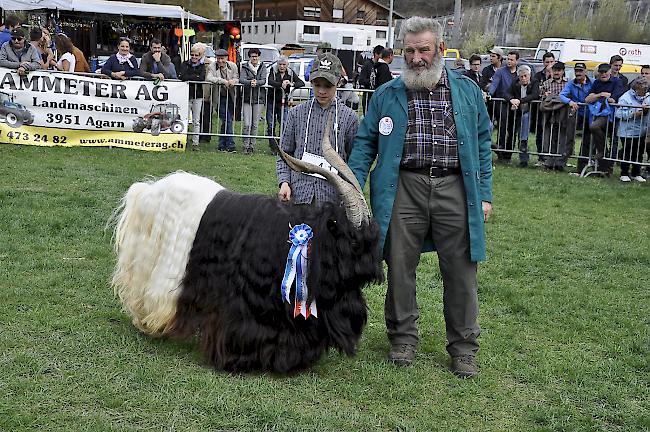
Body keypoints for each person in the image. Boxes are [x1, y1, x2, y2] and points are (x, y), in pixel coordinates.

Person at [348, 16, 493, 378]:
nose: (416, 58)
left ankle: (463, 348)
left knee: (461, 271)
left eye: (424, 50)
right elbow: (365, 143)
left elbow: (482, 143)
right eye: (409, 51)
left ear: (440, 50)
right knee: (399, 266)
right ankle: (402, 339)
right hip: (403, 188)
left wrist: (485, 194)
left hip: (454, 188)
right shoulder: (387, 94)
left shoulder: (467, 91)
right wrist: (349, 185)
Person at [276, 52, 359, 204]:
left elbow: (354, 162)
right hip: (299, 194)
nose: (321, 91)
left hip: (332, 198)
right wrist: (284, 182)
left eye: (328, 86)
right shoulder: (296, 114)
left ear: (338, 82)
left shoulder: (349, 118)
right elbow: (284, 154)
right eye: (317, 84)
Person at [586, 63, 625, 174]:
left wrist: (601, 97)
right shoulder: (597, 82)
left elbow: (613, 99)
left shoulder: (617, 82)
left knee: (613, 141)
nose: (603, 74)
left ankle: (609, 166)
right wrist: (600, 95)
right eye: (601, 72)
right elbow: (587, 99)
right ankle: (603, 163)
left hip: (612, 114)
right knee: (595, 129)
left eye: (605, 72)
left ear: (610, 72)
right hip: (600, 114)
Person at [560, 62, 594, 176]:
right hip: (576, 113)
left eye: (580, 71)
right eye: (576, 71)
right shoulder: (571, 83)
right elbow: (562, 95)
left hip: (590, 114)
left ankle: (582, 167)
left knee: (587, 140)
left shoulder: (593, 82)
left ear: (585, 72)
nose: (578, 73)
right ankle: (562, 161)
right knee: (568, 136)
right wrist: (570, 102)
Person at [614, 77, 649, 183]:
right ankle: (624, 173)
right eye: (642, 91)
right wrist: (634, 113)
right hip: (627, 131)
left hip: (642, 130)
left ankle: (636, 173)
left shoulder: (647, 97)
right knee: (627, 152)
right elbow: (618, 114)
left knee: (638, 152)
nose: (644, 94)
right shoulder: (625, 98)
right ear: (636, 89)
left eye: (645, 91)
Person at [266, 56, 305, 153]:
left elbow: (301, 83)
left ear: (287, 65)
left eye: (284, 64)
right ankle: (273, 147)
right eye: (280, 64)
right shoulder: (273, 70)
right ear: (277, 64)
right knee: (271, 124)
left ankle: (282, 146)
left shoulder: (291, 72)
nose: (282, 66)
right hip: (272, 100)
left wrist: (292, 84)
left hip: (284, 102)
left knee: (284, 124)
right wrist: (281, 84)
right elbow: (270, 81)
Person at [539, 61, 573, 170]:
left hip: (563, 115)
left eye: (558, 70)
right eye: (555, 70)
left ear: (563, 71)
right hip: (549, 114)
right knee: (548, 137)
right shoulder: (546, 83)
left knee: (562, 137)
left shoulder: (568, 83)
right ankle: (548, 161)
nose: (556, 73)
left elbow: (569, 96)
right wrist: (545, 95)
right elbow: (541, 96)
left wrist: (555, 99)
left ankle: (560, 162)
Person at [507, 65, 540, 167]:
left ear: (529, 75)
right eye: (521, 76)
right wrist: (511, 100)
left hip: (531, 112)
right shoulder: (515, 82)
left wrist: (519, 101)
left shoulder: (535, 82)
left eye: (525, 76)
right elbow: (507, 93)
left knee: (524, 134)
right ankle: (506, 156)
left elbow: (535, 95)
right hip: (516, 112)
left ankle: (524, 159)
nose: (523, 78)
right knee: (511, 133)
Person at [206, 48, 238, 152]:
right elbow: (209, 78)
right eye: (218, 58)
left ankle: (221, 144)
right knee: (227, 119)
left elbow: (237, 77)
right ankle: (230, 145)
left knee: (226, 121)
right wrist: (223, 81)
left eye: (222, 58)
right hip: (218, 97)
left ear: (226, 58)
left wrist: (233, 81)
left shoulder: (233, 66)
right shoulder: (212, 66)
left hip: (231, 96)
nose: (220, 61)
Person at [490, 51, 520, 162]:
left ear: (517, 61)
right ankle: (501, 153)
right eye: (508, 59)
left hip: (516, 105)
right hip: (502, 104)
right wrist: (489, 94)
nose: (509, 61)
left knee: (513, 130)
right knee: (502, 129)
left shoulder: (520, 73)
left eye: (512, 59)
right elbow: (494, 85)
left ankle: (509, 155)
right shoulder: (500, 72)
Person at [239, 48, 267, 155]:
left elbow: (264, 79)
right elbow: (242, 79)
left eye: (256, 56)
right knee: (247, 123)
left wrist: (257, 83)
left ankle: (252, 145)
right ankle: (245, 144)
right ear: (249, 57)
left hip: (259, 99)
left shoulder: (263, 66)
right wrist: (250, 82)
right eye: (252, 56)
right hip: (247, 98)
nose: (254, 58)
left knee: (255, 124)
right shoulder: (245, 67)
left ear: (258, 57)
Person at [179, 43, 208, 150]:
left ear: (200, 56)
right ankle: (183, 140)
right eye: (192, 55)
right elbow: (182, 76)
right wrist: (193, 77)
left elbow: (201, 78)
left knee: (196, 120)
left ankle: (195, 143)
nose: (194, 57)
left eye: (196, 55)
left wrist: (190, 78)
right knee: (185, 119)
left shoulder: (202, 66)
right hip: (186, 94)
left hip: (198, 95)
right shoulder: (185, 64)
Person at [358, 44, 384, 112]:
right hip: (368, 97)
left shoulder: (382, 66)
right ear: (376, 54)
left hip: (379, 98)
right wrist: (372, 81)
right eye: (382, 55)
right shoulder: (367, 64)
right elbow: (361, 80)